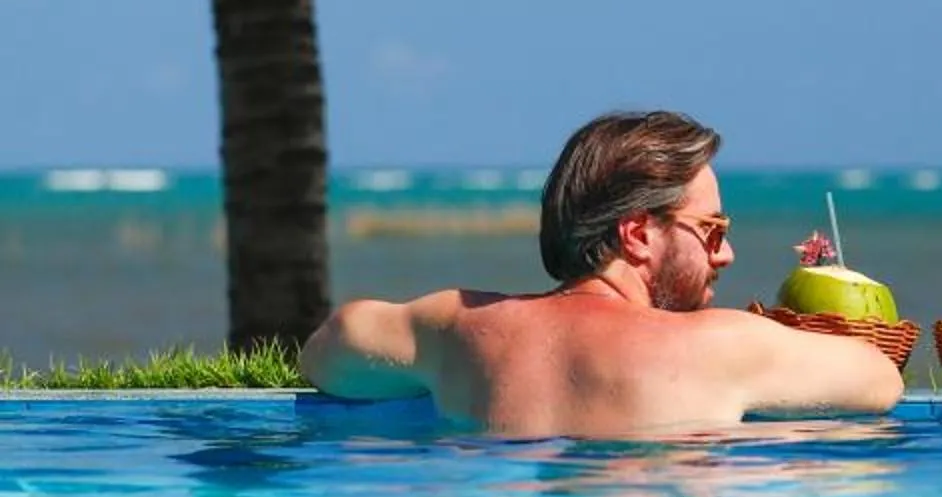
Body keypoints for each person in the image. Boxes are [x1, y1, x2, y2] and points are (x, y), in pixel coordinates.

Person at [301, 110, 903, 435]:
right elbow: (881, 383)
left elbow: (329, 352)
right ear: (638, 234)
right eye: (712, 231)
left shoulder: (460, 328)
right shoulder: (720, 346)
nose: (726, 255)